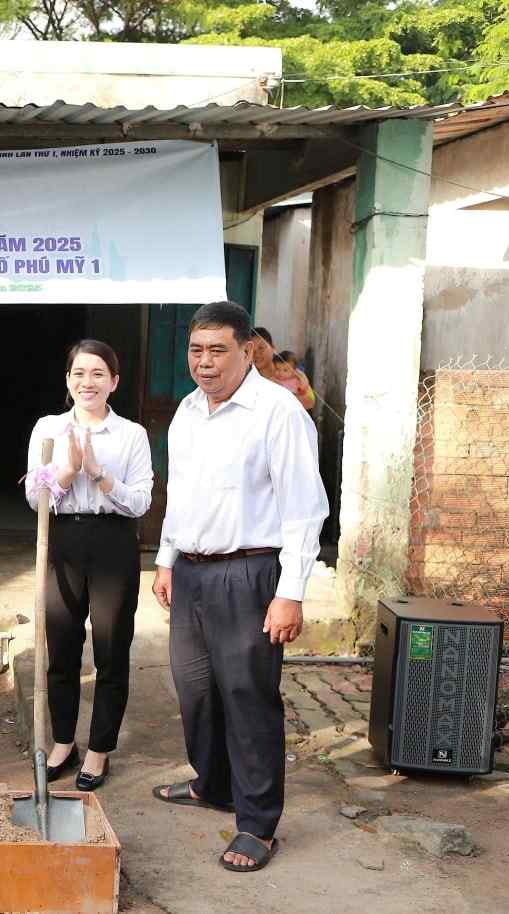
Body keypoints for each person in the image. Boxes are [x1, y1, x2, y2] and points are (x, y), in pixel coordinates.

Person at [151, 301, 328, 873]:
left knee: (248, 698)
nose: (204, 363)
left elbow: (305, 509)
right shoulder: (186, 411)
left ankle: (256, 824)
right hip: (194, 571)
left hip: (251, 572)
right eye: (196, 350)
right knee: (195, 689)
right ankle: (213, 785)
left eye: (217, 350)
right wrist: (166, 559)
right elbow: (179, 492)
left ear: (247, 350)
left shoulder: (278, 412)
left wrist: (291, 591)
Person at [25, 340, 153, 791]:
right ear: (67, 380)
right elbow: (33, 496)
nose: (87, 382)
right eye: (79, 373)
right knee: (60, 647)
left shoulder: (131, 435)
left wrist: (97, 472)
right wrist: (67, 471)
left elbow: (140, 501)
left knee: (111, 649)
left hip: (114, 541)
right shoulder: (48, 429)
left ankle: (99, 750)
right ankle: (64, 741)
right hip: (62, 538)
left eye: (98, 373)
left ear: (114, 382)